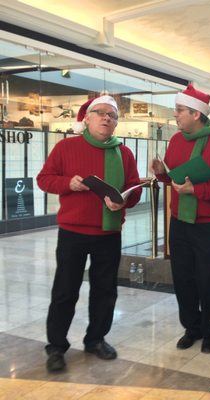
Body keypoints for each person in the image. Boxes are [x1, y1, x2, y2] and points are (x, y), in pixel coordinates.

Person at [36, 95, 142, 373]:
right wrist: (67, 183)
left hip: (109, 232)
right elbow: (44, 179)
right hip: (73, 232)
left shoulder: (124, 153)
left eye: (113, 115)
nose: (107, 118)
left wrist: (124, 200)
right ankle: (56, 347)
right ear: (87, 118)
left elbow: (134, 187)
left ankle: (96, 339)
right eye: (101, 113)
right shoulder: (66, 147)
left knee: (105, 290)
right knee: (65, 290)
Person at [151, 84, 210, 354]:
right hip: (179, 220)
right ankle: (191, 327)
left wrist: (196, 190)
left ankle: (209, 328)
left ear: (196, 114)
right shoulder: (176, 141)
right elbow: (175, 178)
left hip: (208, 224)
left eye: (179, 111)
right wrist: (162, 174)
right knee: (183, 277)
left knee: (208, 278)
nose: (175, 115)